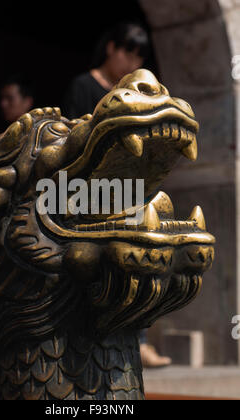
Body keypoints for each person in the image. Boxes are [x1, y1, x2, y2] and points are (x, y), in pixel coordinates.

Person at [63, 22, 172, 368]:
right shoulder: (84, 86)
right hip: (89, 191)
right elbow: (73, 135)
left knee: (139, 250)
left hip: (129, 189)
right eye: (127, 51)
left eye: (138, 55)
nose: (131, 61)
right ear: (110, 48)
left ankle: (137, 338)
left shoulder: (136, 94)